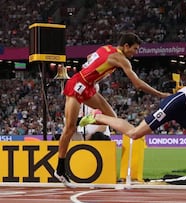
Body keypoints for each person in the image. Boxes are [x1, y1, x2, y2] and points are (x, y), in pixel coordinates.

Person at [54, 32, 169, 187]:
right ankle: (60, 170)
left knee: (111, 116)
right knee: (69, 129)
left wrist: (94, 74)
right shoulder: (121, 59)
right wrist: (160, 94)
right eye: (134, 49)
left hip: (87, 86)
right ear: (126, 46)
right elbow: (138, 84)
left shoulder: (106, 48)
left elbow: (90, 56)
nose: (136, 53)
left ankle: (83, 120)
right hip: (77, 86)